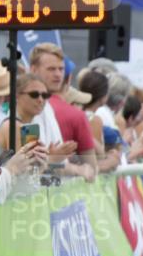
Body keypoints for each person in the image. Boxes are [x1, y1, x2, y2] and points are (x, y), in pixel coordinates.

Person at [30, 43, 97, 178]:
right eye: (51, 69)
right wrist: (77, 169)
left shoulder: (46, 106)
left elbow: (49, 163)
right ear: (33, 70)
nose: (58, 74)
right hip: (34, 195)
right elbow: (32, 167)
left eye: (61, 69)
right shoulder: (27, 108)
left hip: (52, 193)